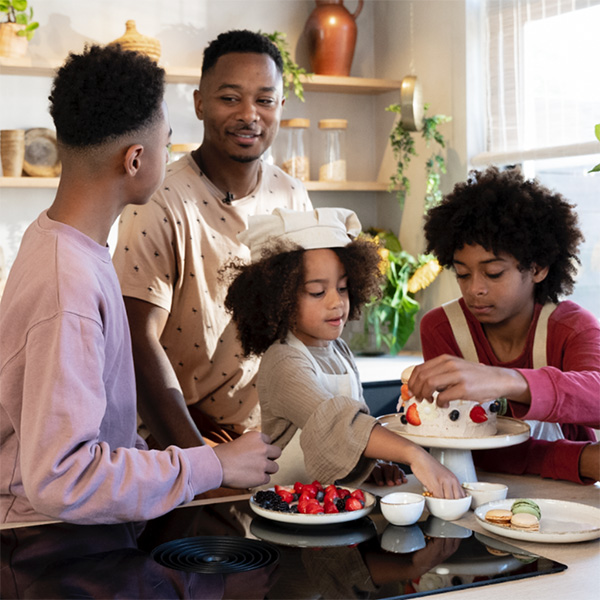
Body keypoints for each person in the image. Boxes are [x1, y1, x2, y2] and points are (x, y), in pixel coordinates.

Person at [0, 45, 280, 526]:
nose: (170, 157)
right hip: (44, 544)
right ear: (134, 160)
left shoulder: (64, 244)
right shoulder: (68, 285)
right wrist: (213, 463)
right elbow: (62, 479)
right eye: (166, 145)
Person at [113, 30, 312, 452]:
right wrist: (203, 457)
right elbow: (134, 339)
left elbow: (304, 326)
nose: (249, 115)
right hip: (181, 442)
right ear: (200, 102)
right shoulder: (159, 198)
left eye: (264, 99)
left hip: (271, 443)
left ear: (280, 107)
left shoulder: (291, 195)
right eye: (229, 98)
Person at [224, 207, 465, 498]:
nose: (336, 302)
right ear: (279, 299)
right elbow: (335, 422)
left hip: (327, 505)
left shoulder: (338, 350)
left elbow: (354, 427)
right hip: (283, 503)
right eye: (317, 292)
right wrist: (415, 455)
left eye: (342, 288)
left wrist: (367, 466)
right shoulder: (283, 360)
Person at [406, 166, 599, 484]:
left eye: (493, 273)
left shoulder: (573, 328)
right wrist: (583, 460)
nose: (475, 289)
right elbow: (459, 440)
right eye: (463, 274)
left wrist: (507, 381)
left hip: (568, 497)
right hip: (477, 489)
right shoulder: (442, 328)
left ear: (537, 268)